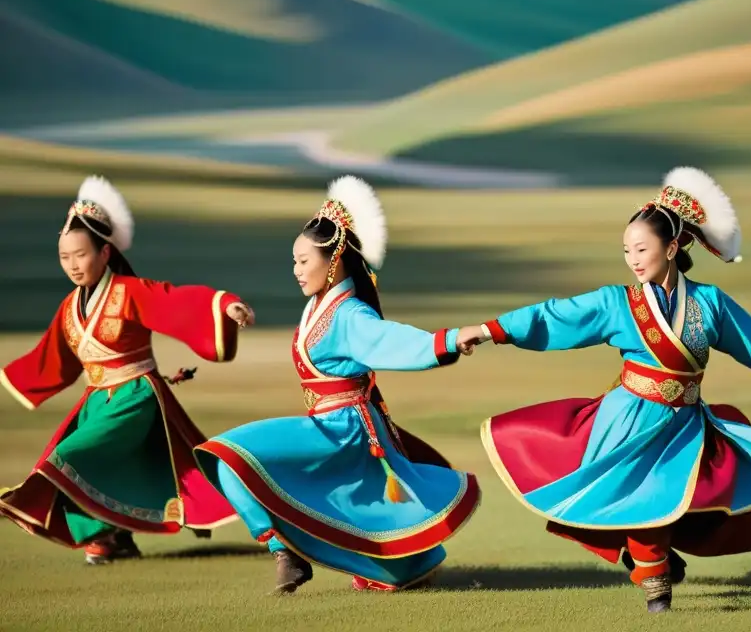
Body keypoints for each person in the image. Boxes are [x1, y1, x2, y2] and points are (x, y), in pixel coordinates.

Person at [455, 167, 751, 614]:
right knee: (637, 499)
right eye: (626, 250)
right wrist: (488, 330)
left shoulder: (711, 303)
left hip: (687, 423)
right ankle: (655, 583)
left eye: (642, 248)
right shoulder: (617, 303)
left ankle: (651, 562)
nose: (633, 259)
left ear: (673, 247)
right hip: (629, 421)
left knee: (675, 499)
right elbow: (554, 316)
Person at [195, 176, 481, 595]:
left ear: (334, 261)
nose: (295, 271)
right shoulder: (321, 305)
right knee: (234, 464)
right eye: (293, 261)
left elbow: (391, 341)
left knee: (229, 458)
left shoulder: (349, 316)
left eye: (303, 261)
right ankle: (286, 550)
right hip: (330, 426)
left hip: (345, 431)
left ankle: (286, 551)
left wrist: (448, 339)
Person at [0, 175, 254, 565]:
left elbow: (177, 303)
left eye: (81, 255)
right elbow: (51, 356)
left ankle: (105, 533)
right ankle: (110, 537)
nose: (72, 265)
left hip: (135, 396)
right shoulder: (70, 306)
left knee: (71, 457)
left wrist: (224, 306)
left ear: (105, 252)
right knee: (102, 466)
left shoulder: (130, 292)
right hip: (95, 402)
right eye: (65, 257)